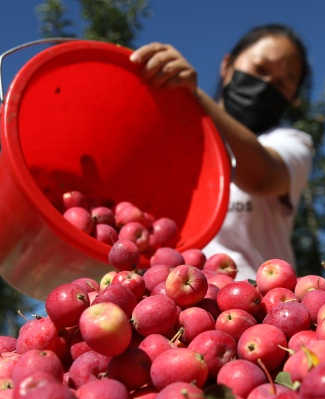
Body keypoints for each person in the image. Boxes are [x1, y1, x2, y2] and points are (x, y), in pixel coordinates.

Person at [130, 24, 314, 282]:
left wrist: (194, 96)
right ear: (227, 65)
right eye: (259, 69)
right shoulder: (174, 142)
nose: (267, 85)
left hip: (254, 310)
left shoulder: (291, 143)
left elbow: (262, 177)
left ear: (293, 98)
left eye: (283, 83)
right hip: (165, 306)